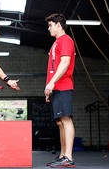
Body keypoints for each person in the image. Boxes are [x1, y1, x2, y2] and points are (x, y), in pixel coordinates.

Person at [44, 13, 76, 168]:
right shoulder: (56, 43)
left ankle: (68, 157)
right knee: (60, 123)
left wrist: (52, 82)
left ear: (58, 25)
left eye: (50, 25)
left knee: (66, 120)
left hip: (63, 85)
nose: (48, 28)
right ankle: (63, 155)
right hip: (55, 87)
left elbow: (65, 63)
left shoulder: (66, 40)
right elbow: (53, 67)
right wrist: (49, 88)